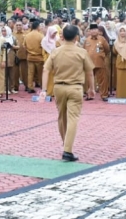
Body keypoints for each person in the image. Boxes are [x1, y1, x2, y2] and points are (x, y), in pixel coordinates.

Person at [40, 24, 95, 162]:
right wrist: (91, 88)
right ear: (77, 37)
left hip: (59, 88)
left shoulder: (55, 52)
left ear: (62, 36)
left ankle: (66, 144)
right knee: (72, 119)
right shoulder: (81, 52)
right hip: (75, 87)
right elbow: (89, 72)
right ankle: (67, 150)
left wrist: (44, 90)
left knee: (61, 117)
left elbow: (46, 70)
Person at [85, 24, 111, 100]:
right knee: (89, 80)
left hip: (100, 62)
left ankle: (104, 95)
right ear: (89, 31)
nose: (93, 31)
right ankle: (90, 95)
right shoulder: (87, 40)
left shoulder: (102, 39)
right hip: (89, 63)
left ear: (98, 31)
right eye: (91, 30)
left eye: (95, 29)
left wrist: (101, 56)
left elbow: (107, 49)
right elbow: (84, 50)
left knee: (102, 80)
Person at [24, 20, 45, 91]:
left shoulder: (27, 36)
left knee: (30, 73)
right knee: (40, 74)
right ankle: (43, 86)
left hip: (30, 57)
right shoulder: (41, 36)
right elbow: (43, 46)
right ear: (38, 27)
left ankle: (30, 87)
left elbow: (24, 46)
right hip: (39, 57)